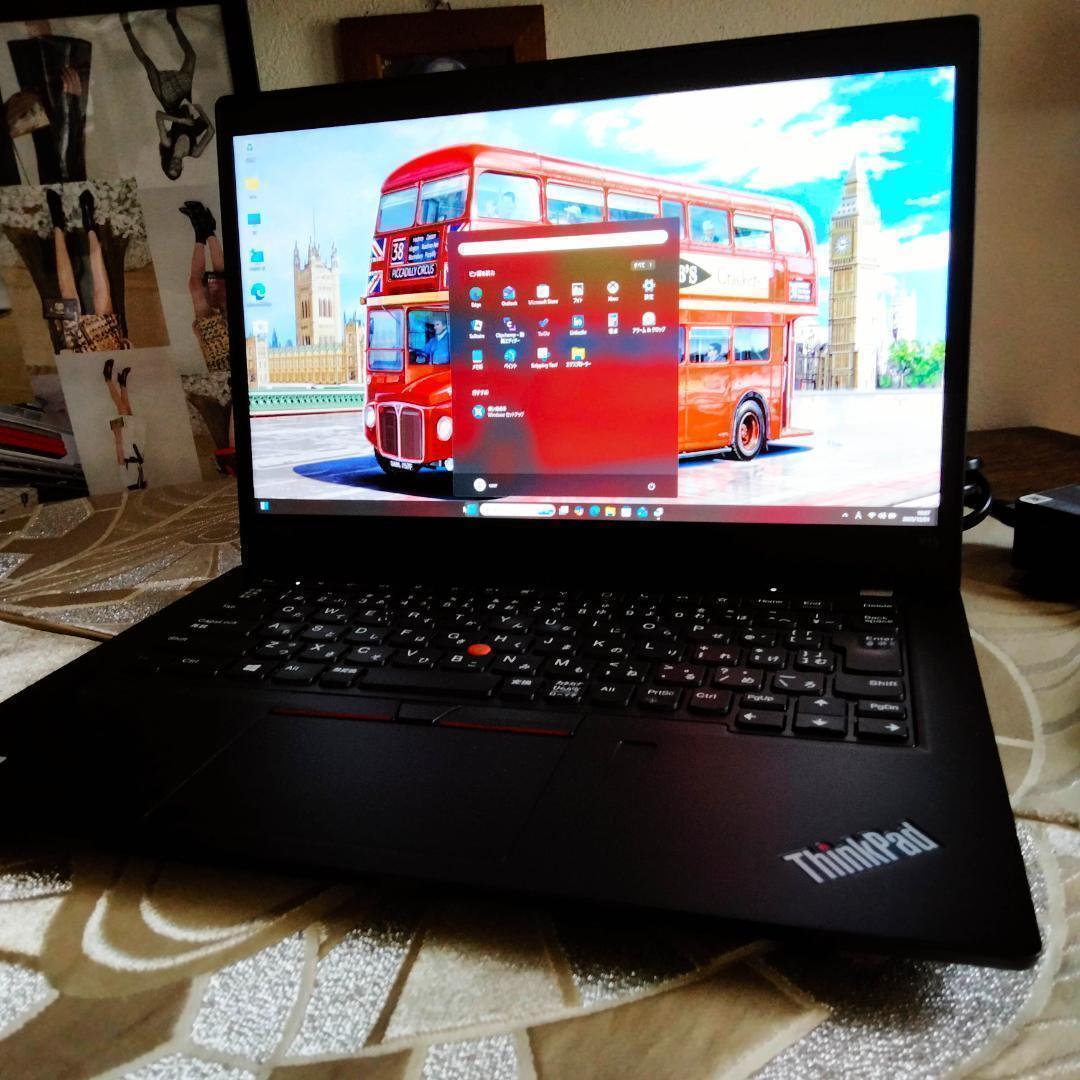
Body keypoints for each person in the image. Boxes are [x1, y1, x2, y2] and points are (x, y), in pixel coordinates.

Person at [120, 9, 214, 181]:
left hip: (169, 101)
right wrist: (200, 111)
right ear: (181, 168)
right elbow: (211, 131)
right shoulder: (194, 152)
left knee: (147, 63)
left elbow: (159, 116)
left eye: (171, 167)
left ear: (168, 163)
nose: (175, 166)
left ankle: (126, 27)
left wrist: (180, 121)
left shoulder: (167, 144)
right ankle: (173, 21)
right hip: (185, 99)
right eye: (177, 169)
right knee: (191, 56)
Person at [178, 200, 234, 472]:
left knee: (196, 285)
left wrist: (200, 339)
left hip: (216, 358)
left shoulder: (226, 452)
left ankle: (200, 232)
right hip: (229, 353)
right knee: (220, 279)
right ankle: (208, 231)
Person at [45, 186, 130, 352]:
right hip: (108, 351)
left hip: (79, 356)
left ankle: (57, 224)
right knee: (104, 300)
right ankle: (89, 225)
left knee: (67, 295)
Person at [102, 358, 146, 490]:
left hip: (125, 443)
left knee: (121, 407)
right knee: (128, 410)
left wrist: (117, 435)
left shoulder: (127, 482)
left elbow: (120, 459)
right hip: (136, 445)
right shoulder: (141, 484)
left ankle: (108, 378)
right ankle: (122, 383)